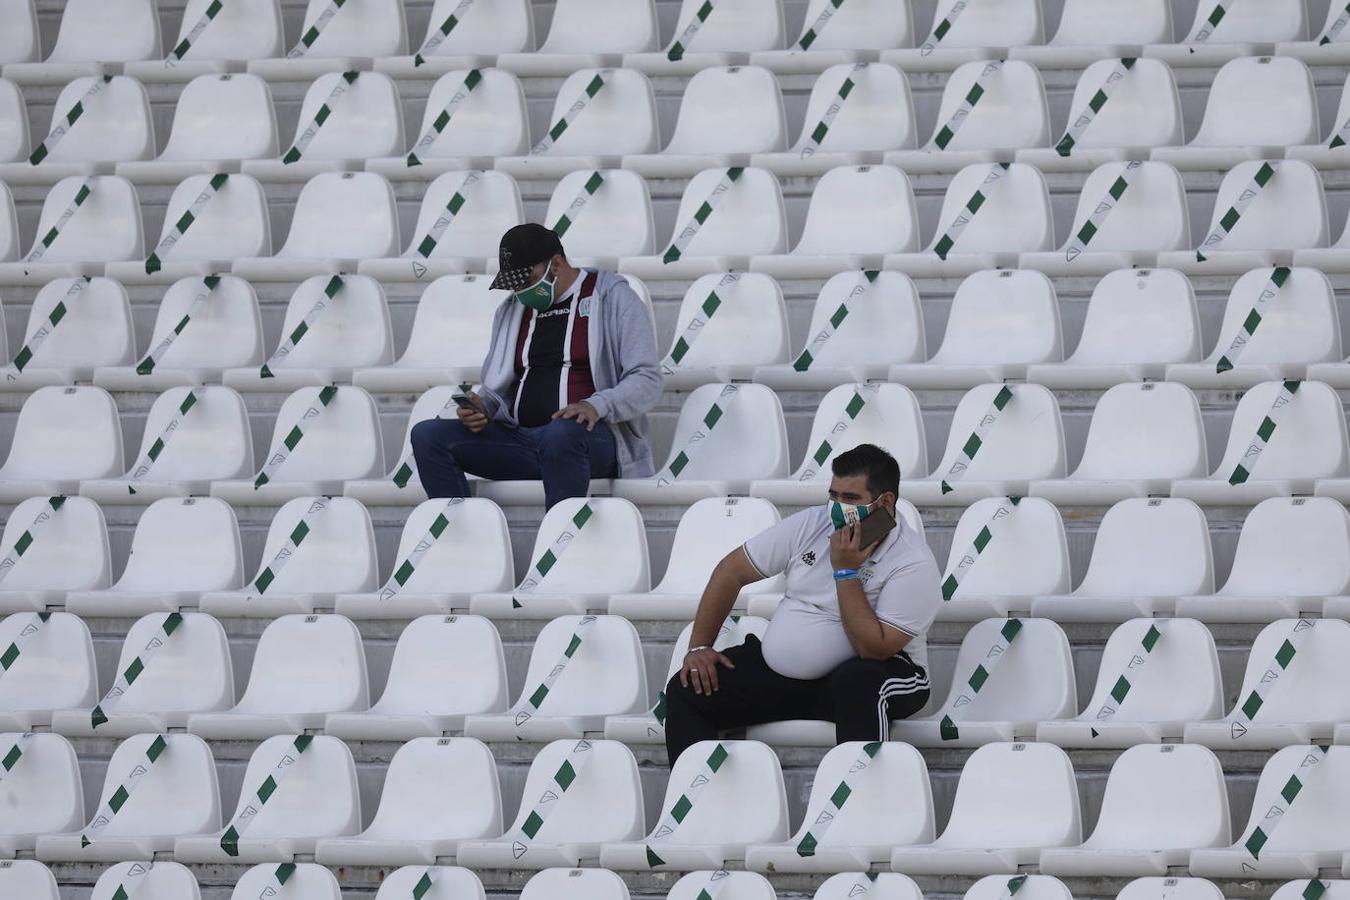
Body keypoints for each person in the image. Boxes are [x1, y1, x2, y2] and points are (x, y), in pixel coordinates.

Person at [663, 443, 942, 762]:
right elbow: (730, 572)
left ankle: (860, 801)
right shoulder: (813, 524)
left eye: (850, 499)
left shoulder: (912, 561)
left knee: (858, 683)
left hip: (886, 673)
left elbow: (875, 649)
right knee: (688, 689)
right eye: (833, 495)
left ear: (885, 502)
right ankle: (698, 805)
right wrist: (699, 646)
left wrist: (846, 571)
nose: (837, 507)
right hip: (789, 679)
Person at [410, 223, 662, 509]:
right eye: (514, 284)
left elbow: (647, 379)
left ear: (555, 264)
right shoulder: (512, 310)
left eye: (526, 281)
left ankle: (558, 542)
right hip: (523, 440)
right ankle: (458, 538)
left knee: (561, 433)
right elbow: (499, 389)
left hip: (589, 439)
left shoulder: (612, 297)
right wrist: (483, 409)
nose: (519, 291)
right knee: (428, 436)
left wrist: (596, 405)